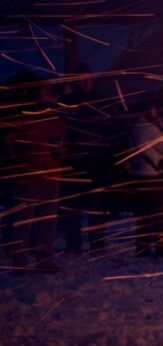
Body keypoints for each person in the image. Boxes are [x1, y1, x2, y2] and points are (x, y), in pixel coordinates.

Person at [6, 75, 66, 271]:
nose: (48, 97)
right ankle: (20, 261)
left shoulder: (56, 120)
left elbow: (61, 146)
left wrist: (60, 152)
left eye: (49, 93)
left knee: (47, 221)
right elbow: (10, 143)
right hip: (30, 176)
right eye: (44, 93)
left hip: (51, 175)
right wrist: (20, 166)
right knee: (24, 221)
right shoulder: (24, 118)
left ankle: (45, 259)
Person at [59, 63, 110, 254]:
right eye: (82, 79)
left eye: (88, 78)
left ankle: (97, 245)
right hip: (73, 163)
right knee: (72, 207)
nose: (86, 82)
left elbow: (107, 130)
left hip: (93, 162)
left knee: (95, 205)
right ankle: (73, 245)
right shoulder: (67, 102)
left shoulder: (98, 100)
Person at [127, 96, 163, 259]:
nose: (156, 112)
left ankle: (142, 247)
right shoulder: (150, 129)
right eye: (154, 109)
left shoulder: (135, 127)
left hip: (138, 174)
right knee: (160, 214)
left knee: (143, 214)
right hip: (152, 176)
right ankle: (162, 248)